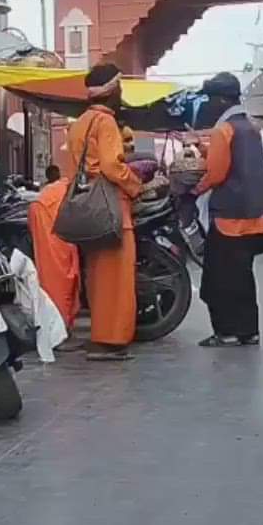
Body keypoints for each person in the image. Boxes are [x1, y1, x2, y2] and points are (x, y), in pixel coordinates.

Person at [66, 64, 145, 360]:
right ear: (112, 91)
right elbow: (113, 167)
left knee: (98, 278)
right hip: (112, 209)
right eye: (120, 87)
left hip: (89, 209)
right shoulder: (106, 122)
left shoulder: (80, 122)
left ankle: (101, 333)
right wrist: (135, 184)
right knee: (117, 278)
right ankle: (110, 340)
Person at [191, 74, 263, 347]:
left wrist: (192, 191)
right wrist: (202, 148)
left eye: (211, 98)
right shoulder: (249, 126)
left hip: (228, 216)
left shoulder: (223, 129)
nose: (209, 104)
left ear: (221, 99)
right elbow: (236, 162)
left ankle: (226, 331)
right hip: (253, 215)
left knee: (219, 277)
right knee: (243, 275)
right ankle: (249, 330)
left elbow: (216, 173)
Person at [28, 164, 80, 331]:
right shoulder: (64, 190)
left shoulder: (60, 189)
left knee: (59, 271)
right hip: (48, 219)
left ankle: (60, 323)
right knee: (60, 273)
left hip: (48, 216)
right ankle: (59, 326)